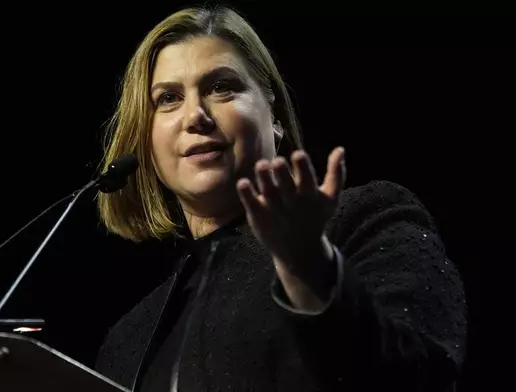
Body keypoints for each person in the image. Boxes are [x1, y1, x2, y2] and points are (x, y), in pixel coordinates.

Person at [94, 5, 467, 392]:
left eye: (221, 87)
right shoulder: (128, 338)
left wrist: (313, 273)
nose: (195, 116)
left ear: (273, 117)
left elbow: (420, 378)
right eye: (168, 98)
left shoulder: (362, 220)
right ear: (146, 138)